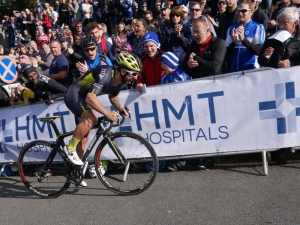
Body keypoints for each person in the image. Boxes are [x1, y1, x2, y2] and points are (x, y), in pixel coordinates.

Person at [63, 53, 142, 187]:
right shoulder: (105, 73)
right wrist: (106, 113)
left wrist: (120, 108)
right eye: (133, 74)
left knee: (84, 138)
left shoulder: (123, 81)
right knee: (91, 120)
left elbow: (113, 96)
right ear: (123, 71)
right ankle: (70, 148)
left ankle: (73, 173)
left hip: (84, 98)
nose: (135, 78)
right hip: (74, 95)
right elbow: (90, 98)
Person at [258, 7, 300, 164]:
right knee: (282, 115)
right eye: (279, 24)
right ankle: (280, 151)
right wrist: (265, 56)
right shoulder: (271, 39)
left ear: (294, 23)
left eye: (284, 23)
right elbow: (260, 61)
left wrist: (292, 63)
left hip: (296, 84)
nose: (280, 27)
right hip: (277, 84)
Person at [160, 51, 190, 171]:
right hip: (171, 111)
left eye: (164, 64)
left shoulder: (181, 76)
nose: (162, 66)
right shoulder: (164, 78)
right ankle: (176, 158)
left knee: (185, 135)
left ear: (170, 64)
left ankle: (184, 159)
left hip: (183, 111)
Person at [225, 0, 265, 72]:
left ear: (251, 12)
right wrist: (233, 42)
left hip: (251, 70)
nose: (240, 13)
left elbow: (259, 50)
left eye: (244, 11)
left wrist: (243, 39)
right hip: (234, 71)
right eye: (238, 11)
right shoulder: (231, 29)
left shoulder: (258, 27)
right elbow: (225, 53)